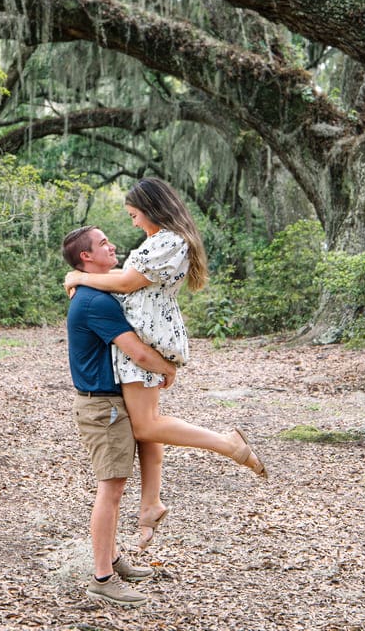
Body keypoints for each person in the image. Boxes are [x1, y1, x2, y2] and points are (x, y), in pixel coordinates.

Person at [64, 179, 266, 552]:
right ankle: (150, 505)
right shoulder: (163, 240)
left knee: (146, 424)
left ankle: (228, 444)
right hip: (148, 333)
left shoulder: (168, 240)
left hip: (145, 338)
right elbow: (125, 281)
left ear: (152, 208)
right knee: (147, 429)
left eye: (135, 215)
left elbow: (126, 283)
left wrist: (77, 275)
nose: (134, 223)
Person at [62, 224, 179, 608]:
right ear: (86, 257)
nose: (112, 245)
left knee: (114, 488)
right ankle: (102, 579)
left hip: (109, 403)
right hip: (103, 407)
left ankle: (112, 558)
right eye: (102, 243)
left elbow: (126, 282)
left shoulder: (96, 289)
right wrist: (168, 367)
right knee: (110, 491)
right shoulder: (94, 301)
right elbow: (138, 353)